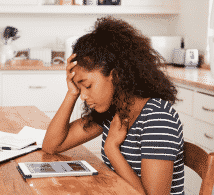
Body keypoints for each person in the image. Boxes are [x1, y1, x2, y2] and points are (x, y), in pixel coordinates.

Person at [42, 16, 184, 195]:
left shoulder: (158, 119)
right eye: (79, 88)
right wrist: (72, 93)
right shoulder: (113, 111)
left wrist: (111, 149)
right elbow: (51, 146)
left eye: (87, 85)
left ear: (115, 76)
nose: (83, 96)